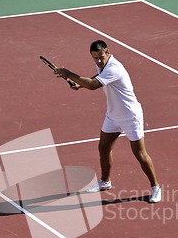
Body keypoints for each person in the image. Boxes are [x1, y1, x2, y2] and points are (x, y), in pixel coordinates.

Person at [55, 40, 161, 203]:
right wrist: (79, 84)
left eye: (101, 57)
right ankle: (105, 182)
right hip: (113, 116)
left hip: (130, 116)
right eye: (95, 58)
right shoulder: (103, 66)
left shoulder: (114, 68)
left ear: (108, 52)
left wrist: (69, 74)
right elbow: (97, 78)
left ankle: (155, 187)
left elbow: (92, 85)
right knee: (103, 148)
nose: (98, 61)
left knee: (139, 153)